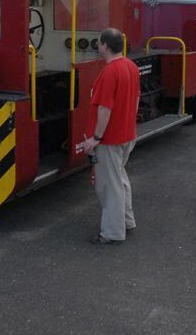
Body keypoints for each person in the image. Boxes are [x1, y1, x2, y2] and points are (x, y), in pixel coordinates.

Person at [78, 27, 140, 244]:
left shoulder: (109, 72)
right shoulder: (131, 67)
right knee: (120, 179)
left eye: (99, 43)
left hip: (110, 139)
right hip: (127, 135)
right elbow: (136, 101)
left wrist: (96, 137)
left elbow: (105, 108)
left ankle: (112, 233)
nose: (98, 46)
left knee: (109, 185)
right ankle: (126, 220)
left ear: (104, 45)